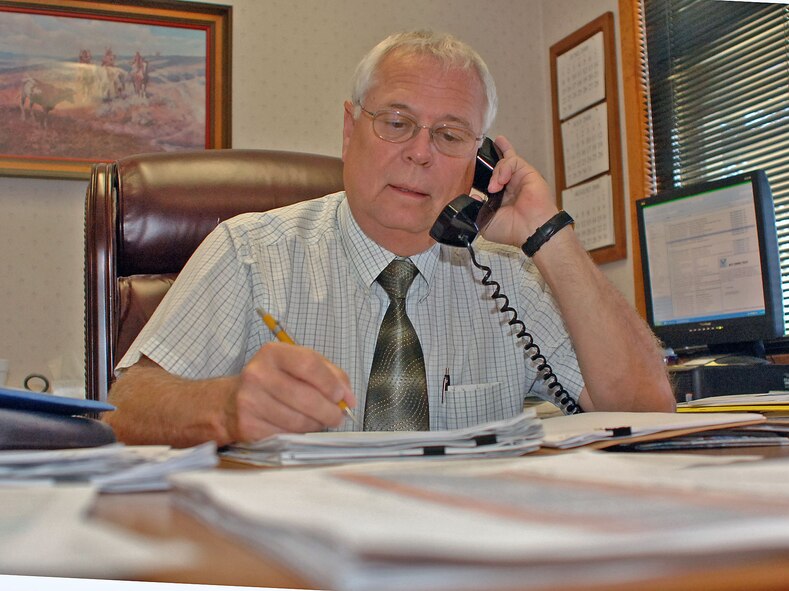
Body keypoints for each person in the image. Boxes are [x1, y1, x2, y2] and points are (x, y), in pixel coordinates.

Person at [104, 30, 674, 447]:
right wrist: (226, 406)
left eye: (450, 135)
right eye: (397, 123)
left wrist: (548, 234)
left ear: (481, 161)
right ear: (350, 131)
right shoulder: (252, 251)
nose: (420, 152)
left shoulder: (510, 275)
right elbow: (126, 407)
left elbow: (647, 410)